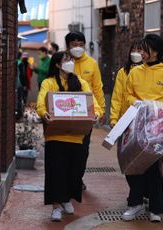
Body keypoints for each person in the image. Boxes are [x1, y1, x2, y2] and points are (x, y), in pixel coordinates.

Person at [36, 51, 102, 222]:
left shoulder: (80, 82)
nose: (70, 62)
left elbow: (91, 100)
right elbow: (41, 102)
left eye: (71, 60)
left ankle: (67, 200)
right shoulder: (48, 83)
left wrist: (97, 113)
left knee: (74, 171)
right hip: (55, 136)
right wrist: (44, 113)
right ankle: (56, 206)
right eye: (66, 60)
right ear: (57, 64)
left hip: (76, 135)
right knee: (56, 171)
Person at [123, 34, 163, 223]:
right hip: (138, 123)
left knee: (155, 168)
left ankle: (155, 208)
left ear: (155, 50)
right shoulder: (135, 72)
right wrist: (136, 103)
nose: (140, 53)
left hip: (158, 125)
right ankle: (135, 203)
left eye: (144, 49)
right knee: (135, 164)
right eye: (139, 49)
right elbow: (128, 94)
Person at [65, 31, 105, 191]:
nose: (78, 48)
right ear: (68, 46)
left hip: (86, 114)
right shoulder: (63, 61)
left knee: (83, 149)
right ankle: (67, 177)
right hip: (66, 113)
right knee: (67, 148)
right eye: (74, 45)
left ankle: (77, 178)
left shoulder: (92, 63)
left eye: (81, 45)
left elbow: (97, 88)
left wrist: (100, 110)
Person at [110, 40, 142, 127]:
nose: (135, 53)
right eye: (133, 50)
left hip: (143, 118)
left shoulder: (150, 71)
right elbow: (117, 97)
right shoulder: (123, 72)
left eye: (139, 50)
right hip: (125, 118)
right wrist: (114, 118)